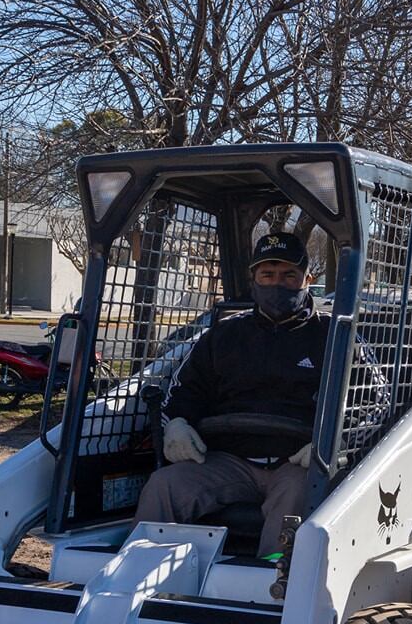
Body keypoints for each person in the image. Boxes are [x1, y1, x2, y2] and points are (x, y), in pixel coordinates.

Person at [134, 231, 329, 550]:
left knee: (298, 494)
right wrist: (179, 423)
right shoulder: (222, 337)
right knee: (165, 484)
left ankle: (273, 586)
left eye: (288, 276)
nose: (276, 284)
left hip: (297, 464)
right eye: (267, 275)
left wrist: (331, 442)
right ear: (253, 279)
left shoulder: (334, 337)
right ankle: (139, 579)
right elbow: (185, 391)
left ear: (307, 279)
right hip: (228, 460)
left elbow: (370, 401)